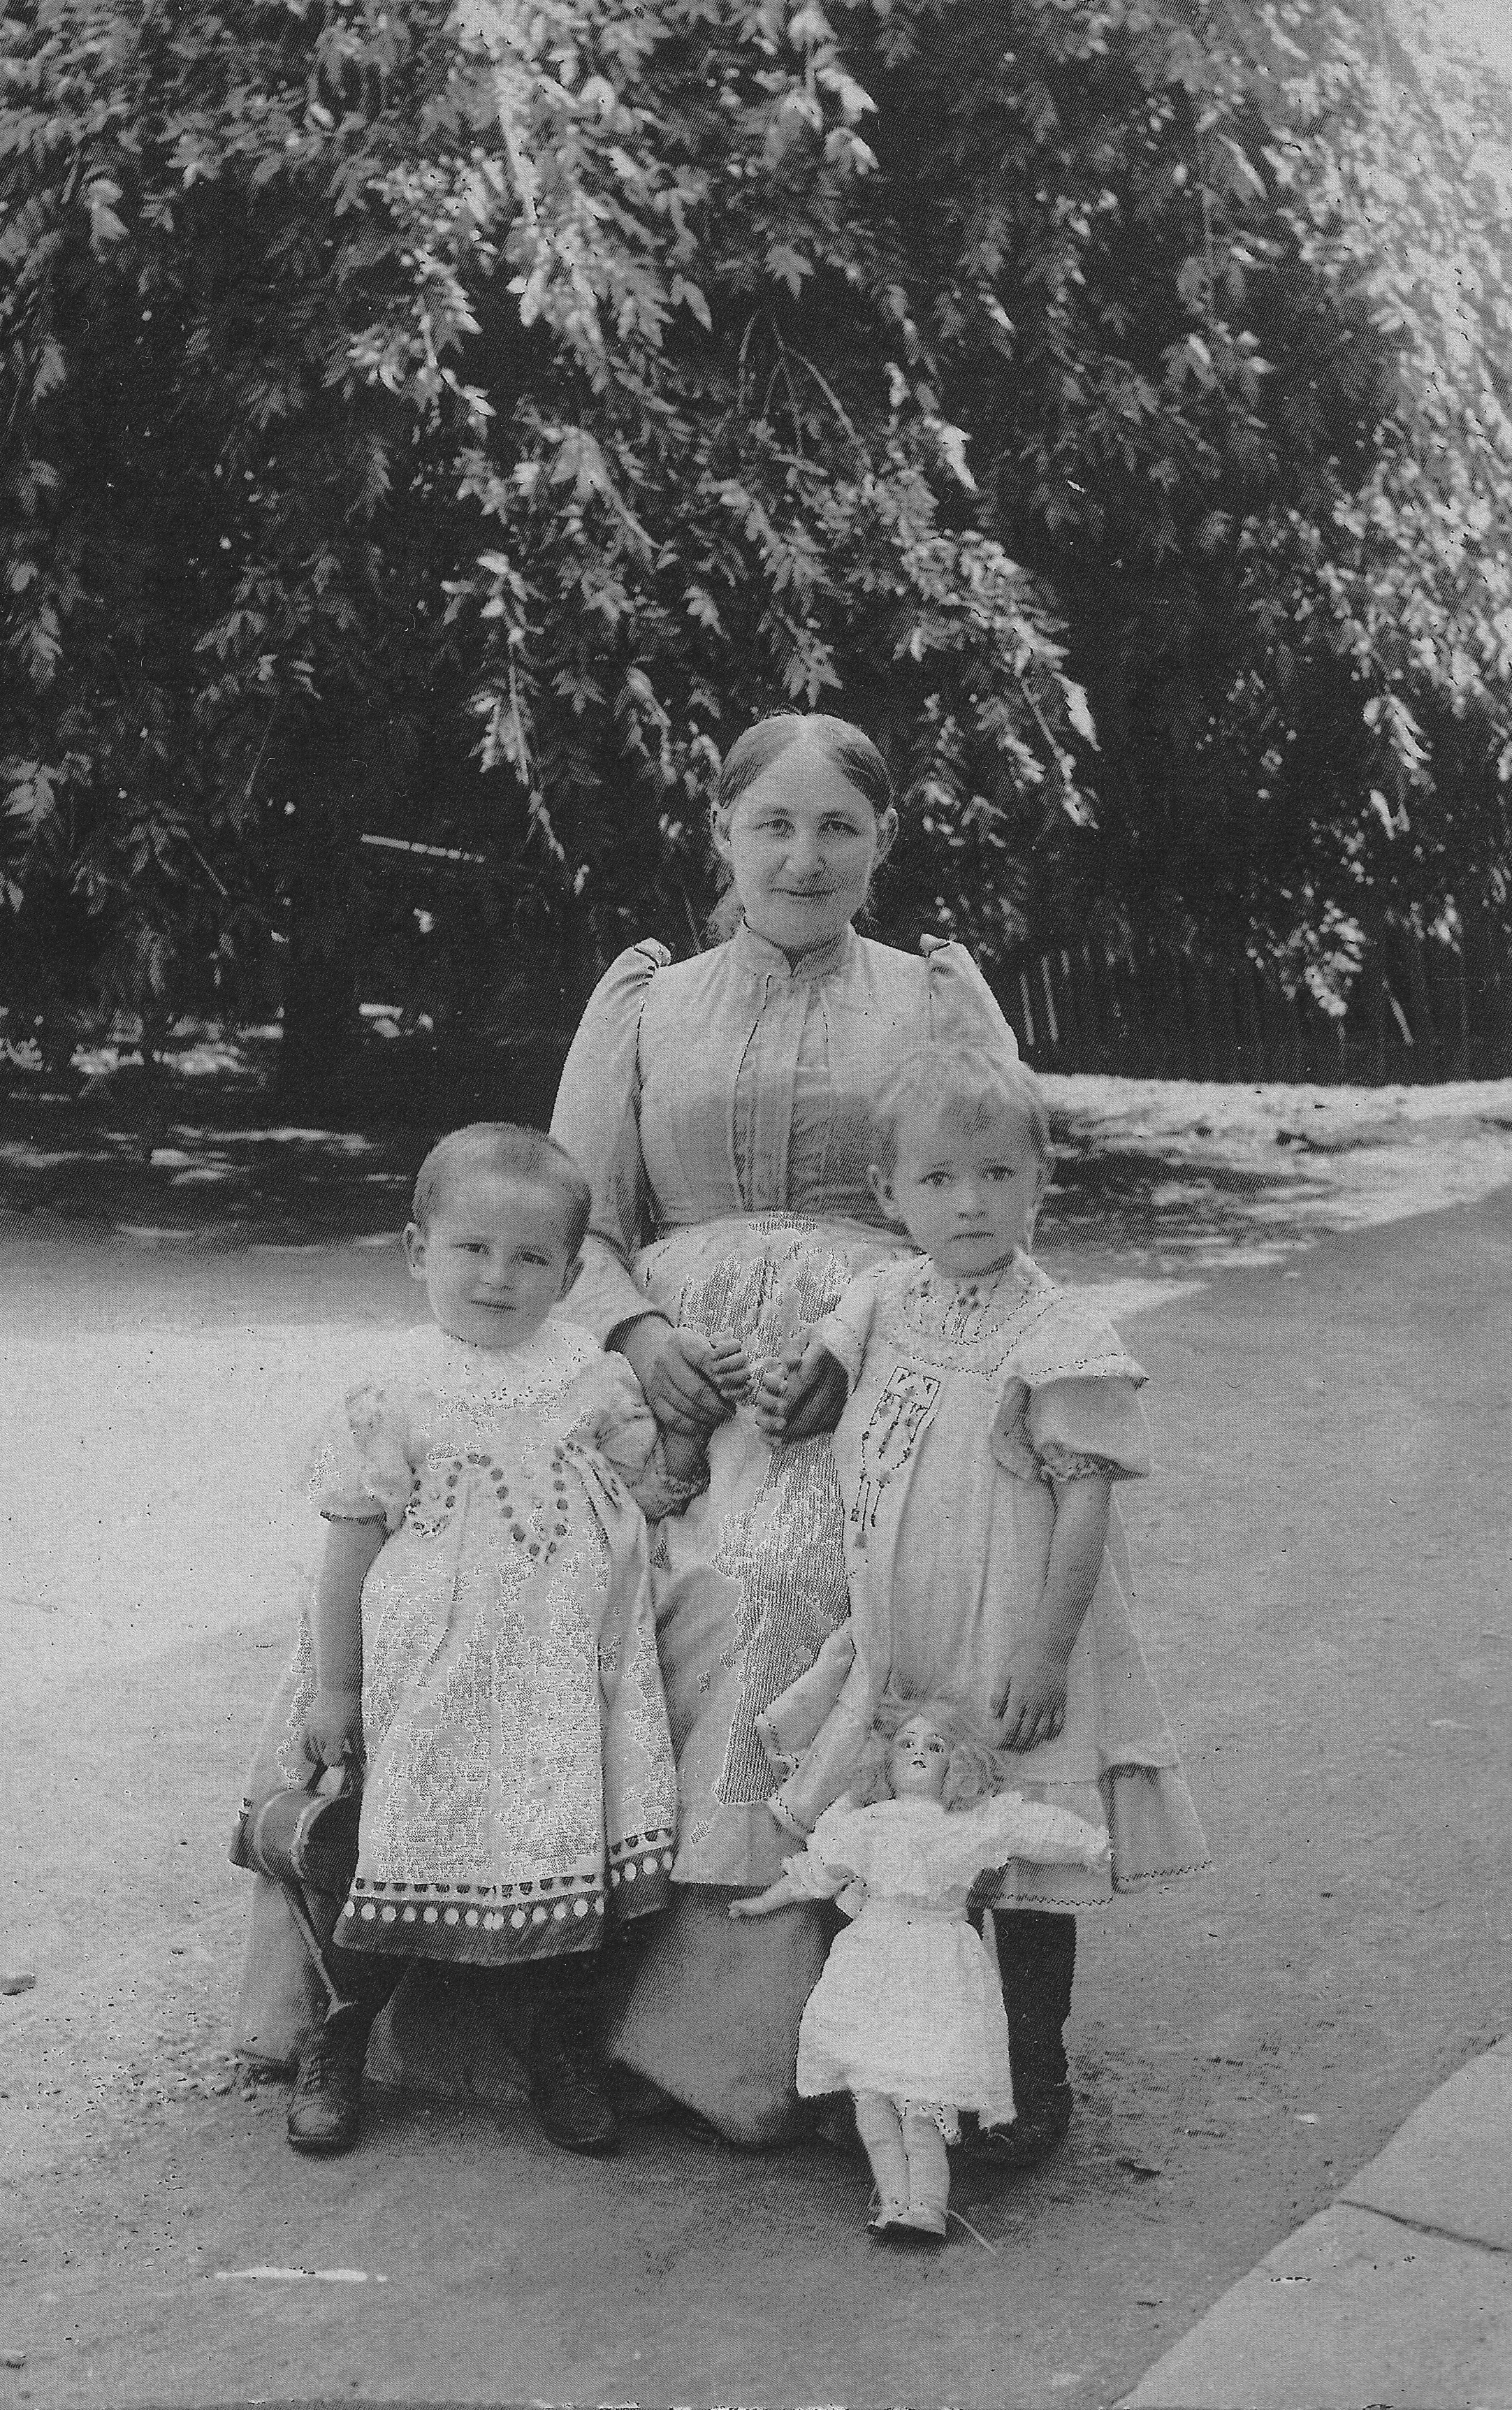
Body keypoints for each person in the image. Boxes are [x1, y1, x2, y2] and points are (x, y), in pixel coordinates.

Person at [548, 709, 1021, 2146]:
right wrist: (639, 1335)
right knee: (530, 1566)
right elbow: (574, 1221)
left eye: (837, 827)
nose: (804, 857)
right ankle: (533, 1990)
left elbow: (987, 1215)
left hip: (874, 1376)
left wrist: (863, 1331)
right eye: (773, 824)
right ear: (722, 833)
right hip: (656, 1370)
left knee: (769, 1582)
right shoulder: (649, 1000)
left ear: (884, 840)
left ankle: (732, 2042)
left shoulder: (933, 999)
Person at [232, 1124, 742, 2158]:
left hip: (561, 1682)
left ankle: (556, 2046)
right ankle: (342, 2031)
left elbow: (645, 1493)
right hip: (428, 1678)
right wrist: (339, 1687)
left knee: (559, 1846)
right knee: (388, 1843)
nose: (498, 1277)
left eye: (531, 1257)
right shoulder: (393, 1390)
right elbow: (349, 1546)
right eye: (472, 1249)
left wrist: (691, 1429)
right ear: (417, 1249)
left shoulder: (591, 1378)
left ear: (570, 1276)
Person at [752, 1043, 1209, 2164]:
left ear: (1039, 1180)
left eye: (999, 1174)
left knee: (1020, 1872)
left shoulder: (1058, 1334)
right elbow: (817, 1399)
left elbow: (1084, 1507)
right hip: (905, 1640)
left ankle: (1032, 2075)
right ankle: (895, 2066)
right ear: (888, 1193)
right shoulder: (878, 1300)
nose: (970, 1203)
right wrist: (782, 1391)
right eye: (940, 1178)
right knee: (903, 1856)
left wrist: (1046, 1653)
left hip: (1009, 1639)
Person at [731, 1709, 1110, 2238]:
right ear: (884, 1762)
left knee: (922, 2101)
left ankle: (928, 2206)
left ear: (958, 1765)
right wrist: (761, 1902)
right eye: (906, 1742)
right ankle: (893, 2202)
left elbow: (1030, 1828)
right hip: (873, 1961)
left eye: (935, 1746)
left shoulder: (969, 1823)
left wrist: (1092, 1844)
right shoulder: (865, 1823)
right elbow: (816, 1874)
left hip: (938, 1962)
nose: (917, 1751)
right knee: (871, 2098)